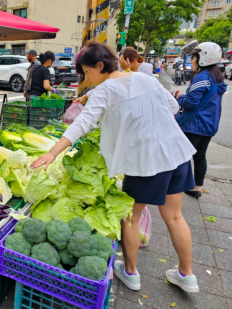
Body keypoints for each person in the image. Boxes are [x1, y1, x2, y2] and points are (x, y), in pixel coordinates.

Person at [31, 41, 199, 293]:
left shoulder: (105, 89)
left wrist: (54, 152)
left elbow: (83, 122)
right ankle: (187, 275)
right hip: (176, 153)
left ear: (99, 66)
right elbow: (173, 106)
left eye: (87, 72)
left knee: (131, 217)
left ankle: (130, 272)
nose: (87, 79)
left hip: (146, 162)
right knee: (175, 216)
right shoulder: (147, 79)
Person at [176, 42, 228, 199]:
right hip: (210, 125)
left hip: (194, 125)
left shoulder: (201, 78)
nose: (192, 61)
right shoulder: (217, 78)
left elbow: (191, 103)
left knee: (182, 155)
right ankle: (196, 187)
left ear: (203, 58)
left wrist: (179, 97)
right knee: (200, 156)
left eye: (194, 57)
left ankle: (177, 186)